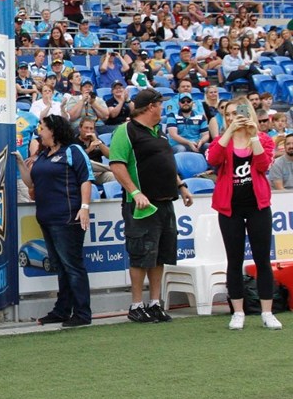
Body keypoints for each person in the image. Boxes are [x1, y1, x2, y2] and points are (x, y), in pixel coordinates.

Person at [109, 89, 193, 323]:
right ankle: (136, 305)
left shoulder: (160, 133)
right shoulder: (125, 131)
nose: (164, 108)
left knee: (160, 255)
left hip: (166, 202)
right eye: (161, 104)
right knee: (140, 254)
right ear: (150, 107)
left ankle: (155, 303)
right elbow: (117, 164)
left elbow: (168, 163)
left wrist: (182, 186)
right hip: (142, 205)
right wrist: (135, 193)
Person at [207, 100, 280, 330]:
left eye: (235, 113)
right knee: (234, 260)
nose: (231, 117)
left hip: (258, 207)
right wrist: (228, 132)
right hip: (230, 208)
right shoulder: (222, 140)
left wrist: (254, 136)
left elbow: (263, 165)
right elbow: (213, 159)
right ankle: (237, 312)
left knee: (263, 260)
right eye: (227, 114)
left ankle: (267, 312)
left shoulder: (264, 140)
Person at [17, 115, 93, 327]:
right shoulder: (43, 155)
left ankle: (82, 313)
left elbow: (86, 178)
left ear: (54, 131)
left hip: (67, 218)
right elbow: (31, 183)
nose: (40, 132)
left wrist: (84, 207)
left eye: (43, 128)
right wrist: (21, 164)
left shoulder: (73, 151)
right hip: (47, 218)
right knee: (61, 266)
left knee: (72, 266)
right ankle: (62, 310)